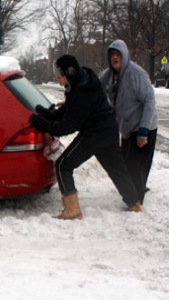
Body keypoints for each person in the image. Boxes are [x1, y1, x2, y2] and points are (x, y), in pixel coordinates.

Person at [29, 54, 141, 220]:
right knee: (116, 169)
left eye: (60, 74)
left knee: (63, 165)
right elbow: (68, 109)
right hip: (108, 131)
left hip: (94, 134)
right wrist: (47, 114)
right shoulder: (84, 80)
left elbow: (65, 127)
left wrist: (41, 123)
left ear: (70, 72)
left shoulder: (82, 93)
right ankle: (135, 204)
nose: (57, 78)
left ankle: (72, 210)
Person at [99, 40, 158, 206]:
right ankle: (137, 189)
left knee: (136, 166)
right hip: (126, 128)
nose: (115, 57)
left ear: (124, 55)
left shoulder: (136, 74)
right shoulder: (108, 76)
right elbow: (95, 88)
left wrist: (143, 131)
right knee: (126, 163)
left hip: (144, 126)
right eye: (112, 55)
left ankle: (136, 200)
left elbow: (149, 101)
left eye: (118, 54)